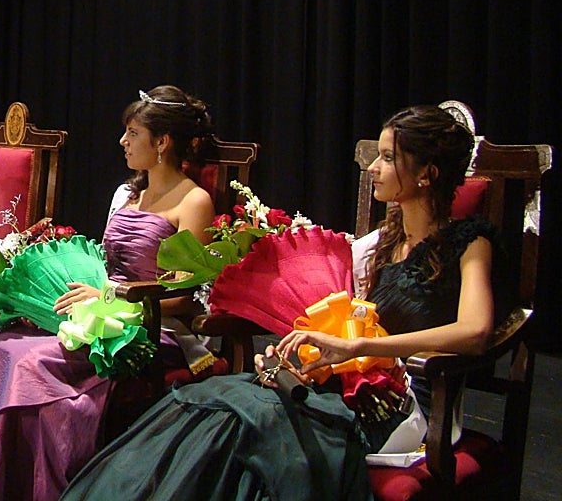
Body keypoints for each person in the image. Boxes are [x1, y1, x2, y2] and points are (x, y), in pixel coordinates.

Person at [59, 105, 502, 501]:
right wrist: (306, 349)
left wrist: (359, 349)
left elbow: (476, 332)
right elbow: (347, 316)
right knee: (211, 404)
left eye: (388, 158)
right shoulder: (382, 244)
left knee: (247, 424)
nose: (374, 169)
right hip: (344, 385)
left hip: (403, 404)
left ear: (427, 173)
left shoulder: (468, 243)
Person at [0, 85, 217, 501]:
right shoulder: (130, 194)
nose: (122, 142)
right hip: (95, 312)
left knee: (31, 365)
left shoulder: (194, 200)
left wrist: (111, 298)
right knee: (0, 346)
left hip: (148, 328)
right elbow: (105, 262)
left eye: (132, 133)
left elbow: (184, 294)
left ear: (162, 142)